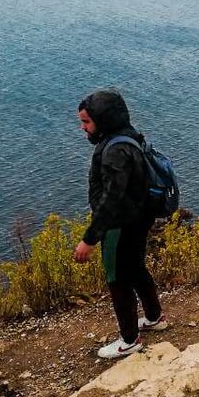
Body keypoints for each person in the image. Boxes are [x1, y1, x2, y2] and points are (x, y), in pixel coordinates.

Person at [73, 89, 167, 359]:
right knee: (136, 268)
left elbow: (111, 200)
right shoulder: (128, 136)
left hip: (120, 224)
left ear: (103, 120)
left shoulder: (115, 151)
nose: (83, 128)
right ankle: (155, 317)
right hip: (139, 219)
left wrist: (89, 239)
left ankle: (129, 339)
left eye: (86, 122)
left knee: (118, 279)